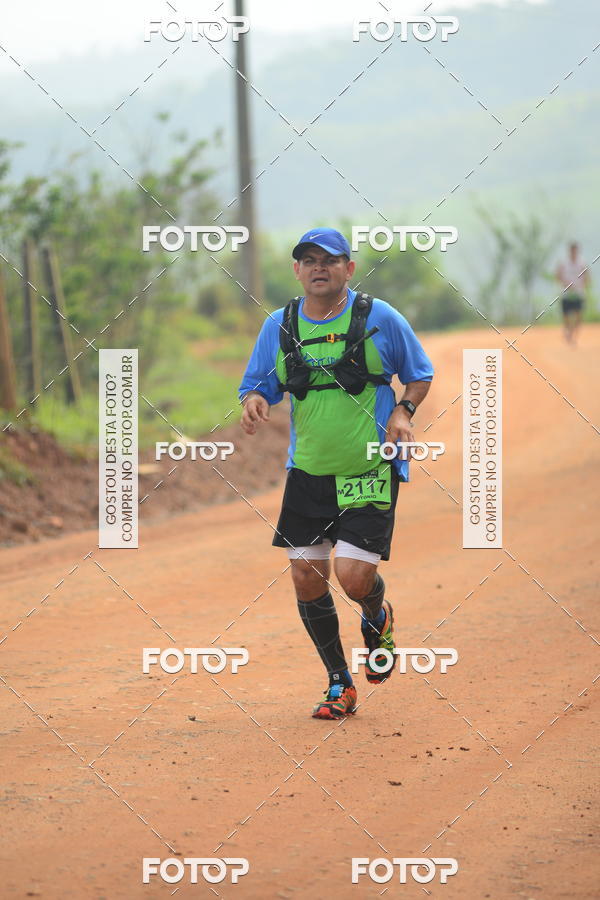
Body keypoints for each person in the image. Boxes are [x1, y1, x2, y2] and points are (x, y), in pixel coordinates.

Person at [239, 228, 434, 719]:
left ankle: (377, 615)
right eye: (308, 260)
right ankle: (338, 682)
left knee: (352, 577)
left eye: (330, 260)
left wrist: (404, 412)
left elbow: (420, 372)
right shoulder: (280, 325)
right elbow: (258, 384)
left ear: (349, 268)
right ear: (297, 270)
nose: (318, 267)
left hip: (369, 466)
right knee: (306, 576)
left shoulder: (378, 318)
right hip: (308, 473)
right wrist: (255, 400)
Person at [555, 242, 590, 346]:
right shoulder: (564, 262)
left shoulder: (582, 262)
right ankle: (568, 331)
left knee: (578, 315)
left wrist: (583, 285)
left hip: (579, 293)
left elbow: (587, 275)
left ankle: (573, 335)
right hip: (567, 293)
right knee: (566, 316)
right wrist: (565, 284)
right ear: (569, 251)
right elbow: (558, 275)